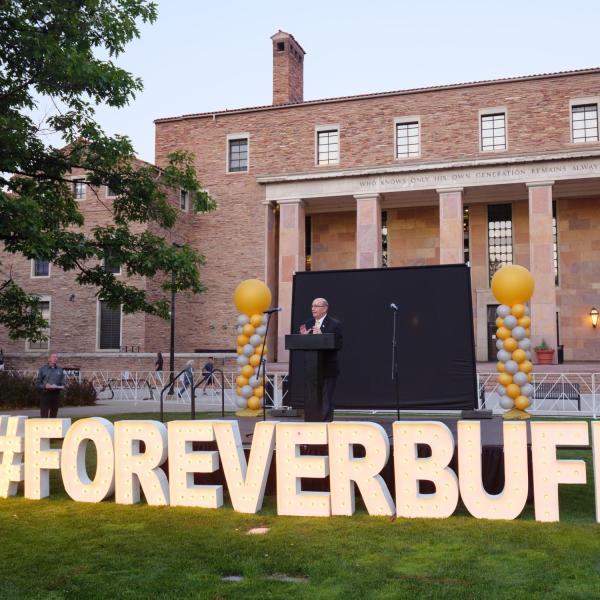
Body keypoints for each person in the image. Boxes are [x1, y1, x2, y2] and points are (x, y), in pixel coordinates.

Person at [299, 297, 342, 421]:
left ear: (325, 308)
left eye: (316, 306)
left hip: (328, 368)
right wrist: (304, 339)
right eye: (312, 306)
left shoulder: (335, 324)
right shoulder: (308, 323)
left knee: (326, 398)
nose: (313, 309)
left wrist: (322, 336)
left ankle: (325, 424)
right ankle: (312, 423)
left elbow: (338, 344)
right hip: (312, 369)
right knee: (312, 397)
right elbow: (303, 345)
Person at [36, 353, 66, 418]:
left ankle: (52, 427)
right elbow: (38, 383)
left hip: (56, 394)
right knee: (44, 414)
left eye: (56, 357)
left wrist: (62, 386)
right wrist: (45, 386)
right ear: (49, 359)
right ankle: (44, 427)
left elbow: (63, 382)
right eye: (53, 357)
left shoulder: (60, 370)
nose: (55, 359)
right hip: (45, 394)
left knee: (54, 415)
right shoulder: (43, 369)